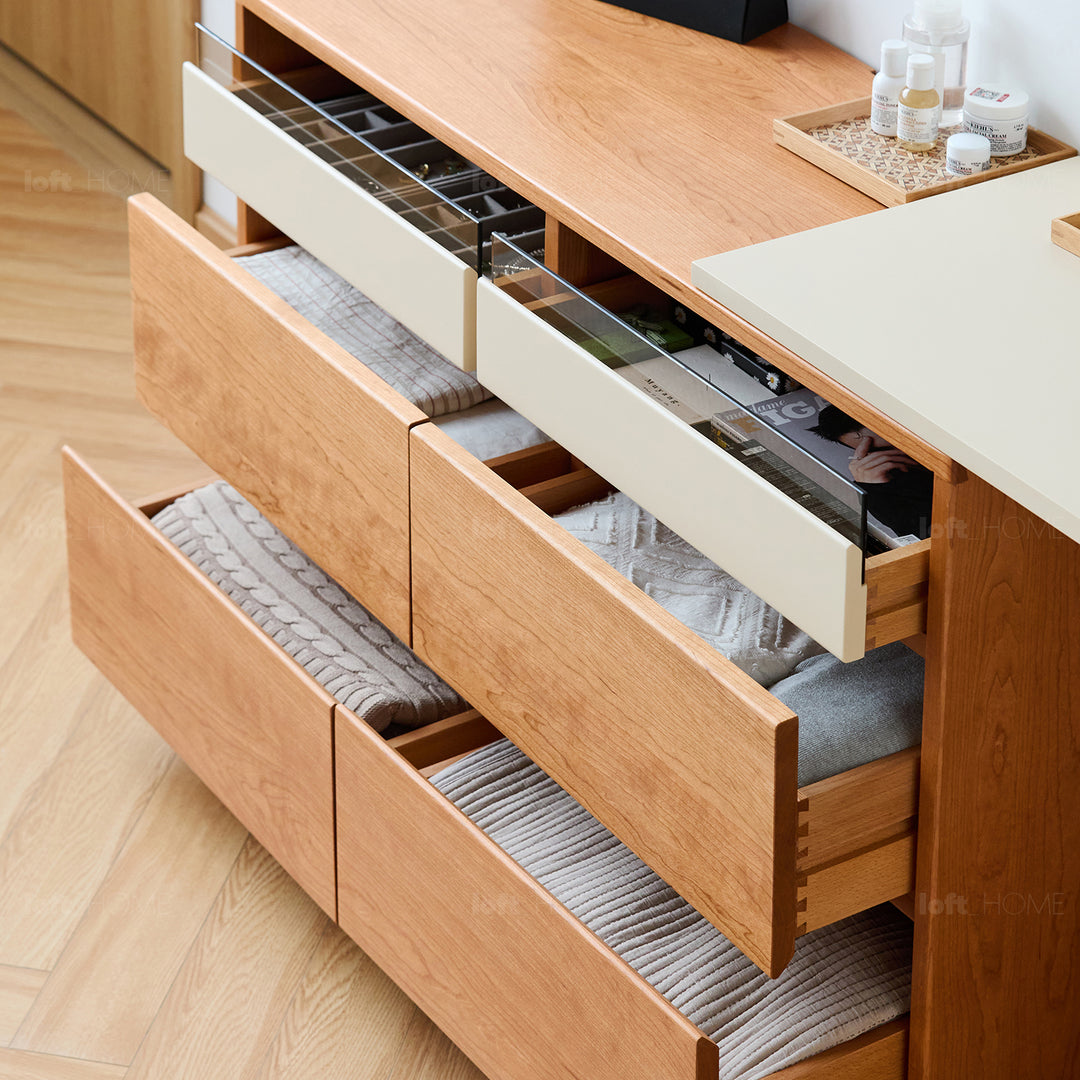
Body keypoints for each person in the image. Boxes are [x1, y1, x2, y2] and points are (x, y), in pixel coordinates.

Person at [808, 406, 932, 540]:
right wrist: (877, 493)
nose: (904, 452)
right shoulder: (890, 479)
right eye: (880, 452)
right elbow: (931, 537)